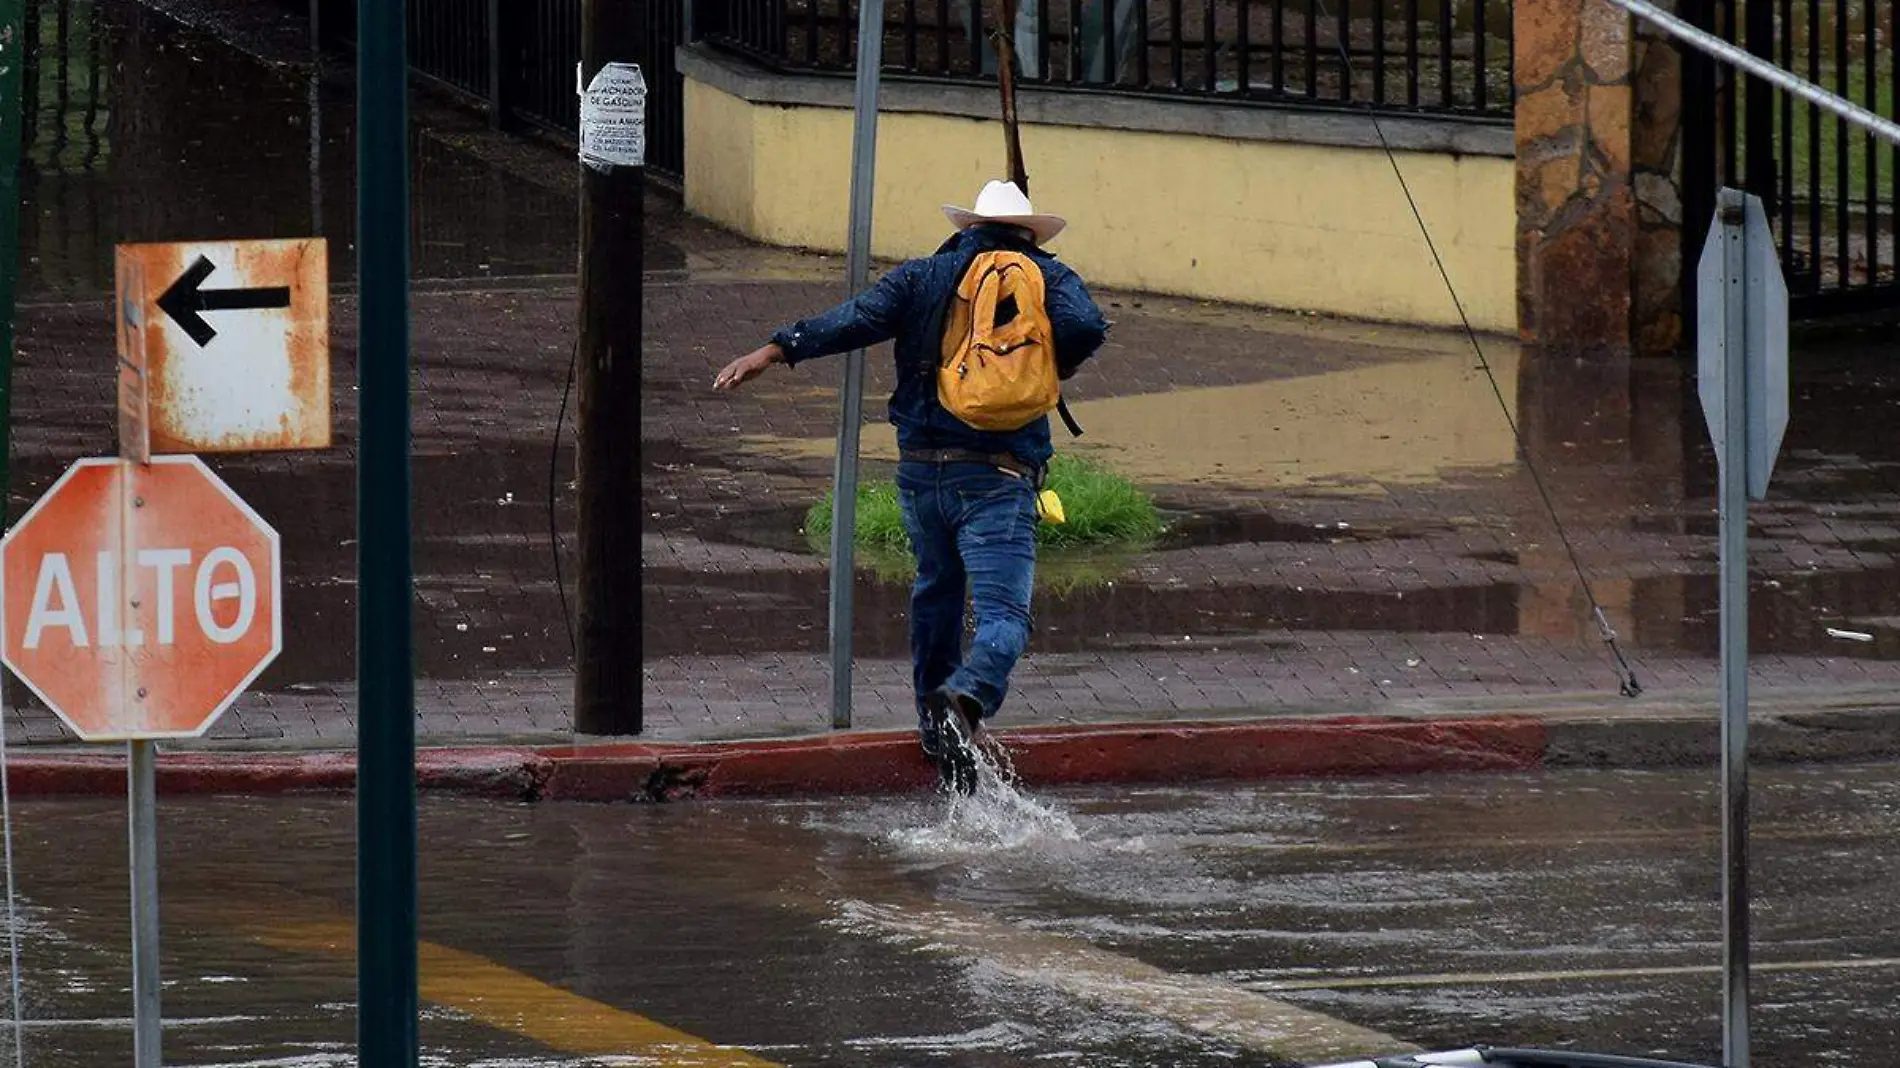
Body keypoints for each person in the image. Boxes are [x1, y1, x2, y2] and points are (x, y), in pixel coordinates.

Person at [714, 180, 1109, 793]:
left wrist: (773, 349)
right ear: (1029, 233)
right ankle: (969, 698)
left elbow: (853, 321)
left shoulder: (923, 276)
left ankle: (934, 724)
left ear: (968, 226)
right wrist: (1046, 365)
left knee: (936, 593)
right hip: (1001, 471)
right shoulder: (1045, 277)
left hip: (923, 466)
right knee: (1004, 610)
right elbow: (1086, 325)